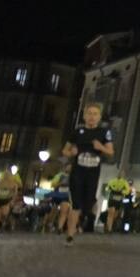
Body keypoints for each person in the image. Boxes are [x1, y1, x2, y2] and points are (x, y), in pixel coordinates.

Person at [61, 103, 114, 244]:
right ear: (84, 116)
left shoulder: (104, 133)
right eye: (89, 113)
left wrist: (100, 147)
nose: (92, 116)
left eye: (95, 114)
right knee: (76, 204)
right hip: (78, 172)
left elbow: (110, 152)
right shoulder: (77, 132)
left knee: (88, 203)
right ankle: (70, 235)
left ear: (99, 117)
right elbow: (64, 150)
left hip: (93, 173)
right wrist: (70, 152)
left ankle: (81, 218)